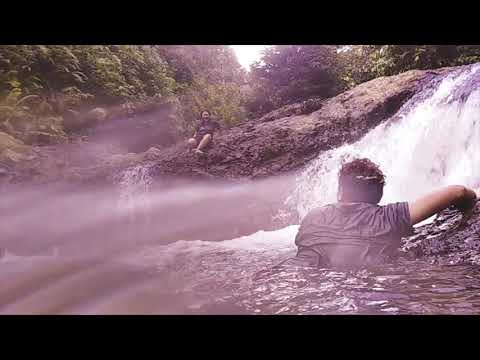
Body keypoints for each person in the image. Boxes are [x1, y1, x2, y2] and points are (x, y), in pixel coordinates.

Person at [290, 158, 477, 268]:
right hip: (366, 287)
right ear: (379, 194)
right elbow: (457, 191)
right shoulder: (389, 216)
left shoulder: (312, 217)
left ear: (341, 190)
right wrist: (472, 204)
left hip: (299, 276)